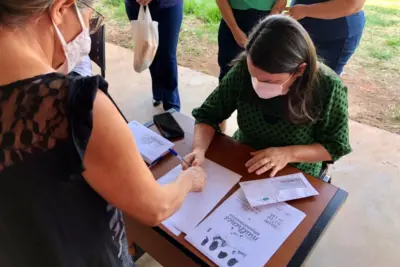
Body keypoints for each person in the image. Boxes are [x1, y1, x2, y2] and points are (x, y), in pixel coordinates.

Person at [0, 0, 206, 266]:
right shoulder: (74, 104)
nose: (88, 28)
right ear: (61, 8)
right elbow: (156, 207)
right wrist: (189, 180)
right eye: (90, 14)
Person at [184, 15, 352, 179]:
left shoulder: (327, 86)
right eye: (253, 76)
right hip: (244, 156)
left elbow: (335, 146)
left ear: (300, 70)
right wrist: (199, 150)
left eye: (270, 80)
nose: (257, 83)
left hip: (295, 170)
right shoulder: (244, 69)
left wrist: (288, 154)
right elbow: (208, 114)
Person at [125, 0, 183, 111]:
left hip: (168, 6)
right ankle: (158, 92)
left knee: (167, 56)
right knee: (149, 49)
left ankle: (171, 105)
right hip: (135, 5)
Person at [286, 0, 366, 75]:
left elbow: (352, 5)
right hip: (302, 29)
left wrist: (305, 10)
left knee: (321, 80)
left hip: (333, 37)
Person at [216, 0, 287, 82]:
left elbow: (281, 2)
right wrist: (235, 29)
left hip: (267, 17)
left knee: (263, 73)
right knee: (228, 70)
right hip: (234, 17)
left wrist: (268, 25)